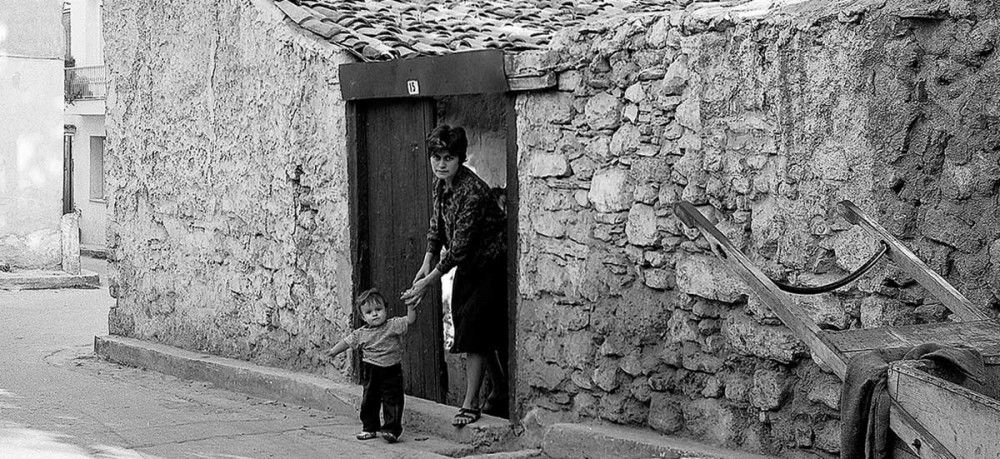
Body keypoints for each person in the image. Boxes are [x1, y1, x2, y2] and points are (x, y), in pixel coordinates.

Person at [401, 124, 508, 427]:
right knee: (465, 325)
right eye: (436, 157)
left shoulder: (471, 192)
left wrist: (428, 282)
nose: (441, 163)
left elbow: (460, 247)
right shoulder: (441, 185)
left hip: (490, 265)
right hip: (468, 266)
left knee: (475, 331)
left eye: (448, 157)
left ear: (460, 158)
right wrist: (426, 261)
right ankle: (499, 389)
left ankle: (470, 402)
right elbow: (437, 227)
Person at [325, 288, 416, 443]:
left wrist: (411, 304)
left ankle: (391, 430)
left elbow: (410, 320)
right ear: (363, 316)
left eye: (378, 309)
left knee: (393, 400)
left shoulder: (393, 325)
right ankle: (369, 428)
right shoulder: (360, 333)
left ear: (386, 309)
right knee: (369, 400)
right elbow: (347, 342)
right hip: (372, 370)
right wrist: (333, 351)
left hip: (392, 369)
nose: (375, 314)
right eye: (369, 312)